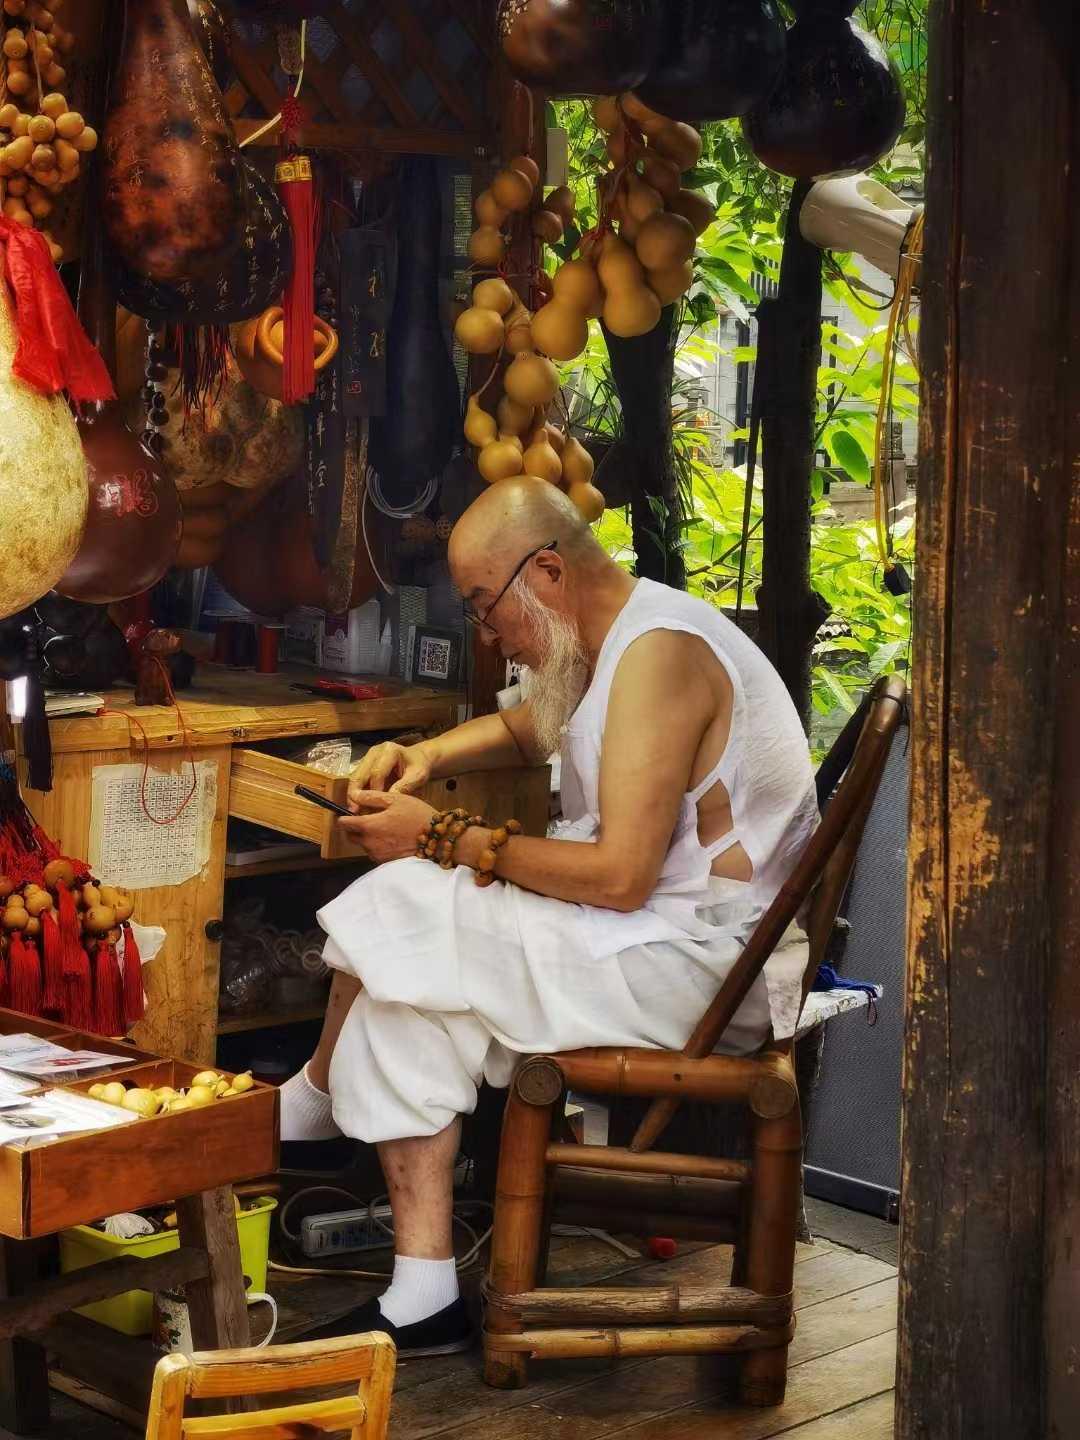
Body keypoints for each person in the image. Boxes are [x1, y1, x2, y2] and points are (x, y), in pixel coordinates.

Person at [286, 478, 819, 1356]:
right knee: (403, 996)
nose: (489, 636)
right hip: (650, 943)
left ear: (546, 571)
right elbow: (537, 726)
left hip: (704, 969)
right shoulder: (609, 640)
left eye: (487, 609)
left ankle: (308, 1106)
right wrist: (422, 756)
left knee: (407, 895)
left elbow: (617, 878)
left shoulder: (661, 656)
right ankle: (422, 1297)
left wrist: (446, 835)